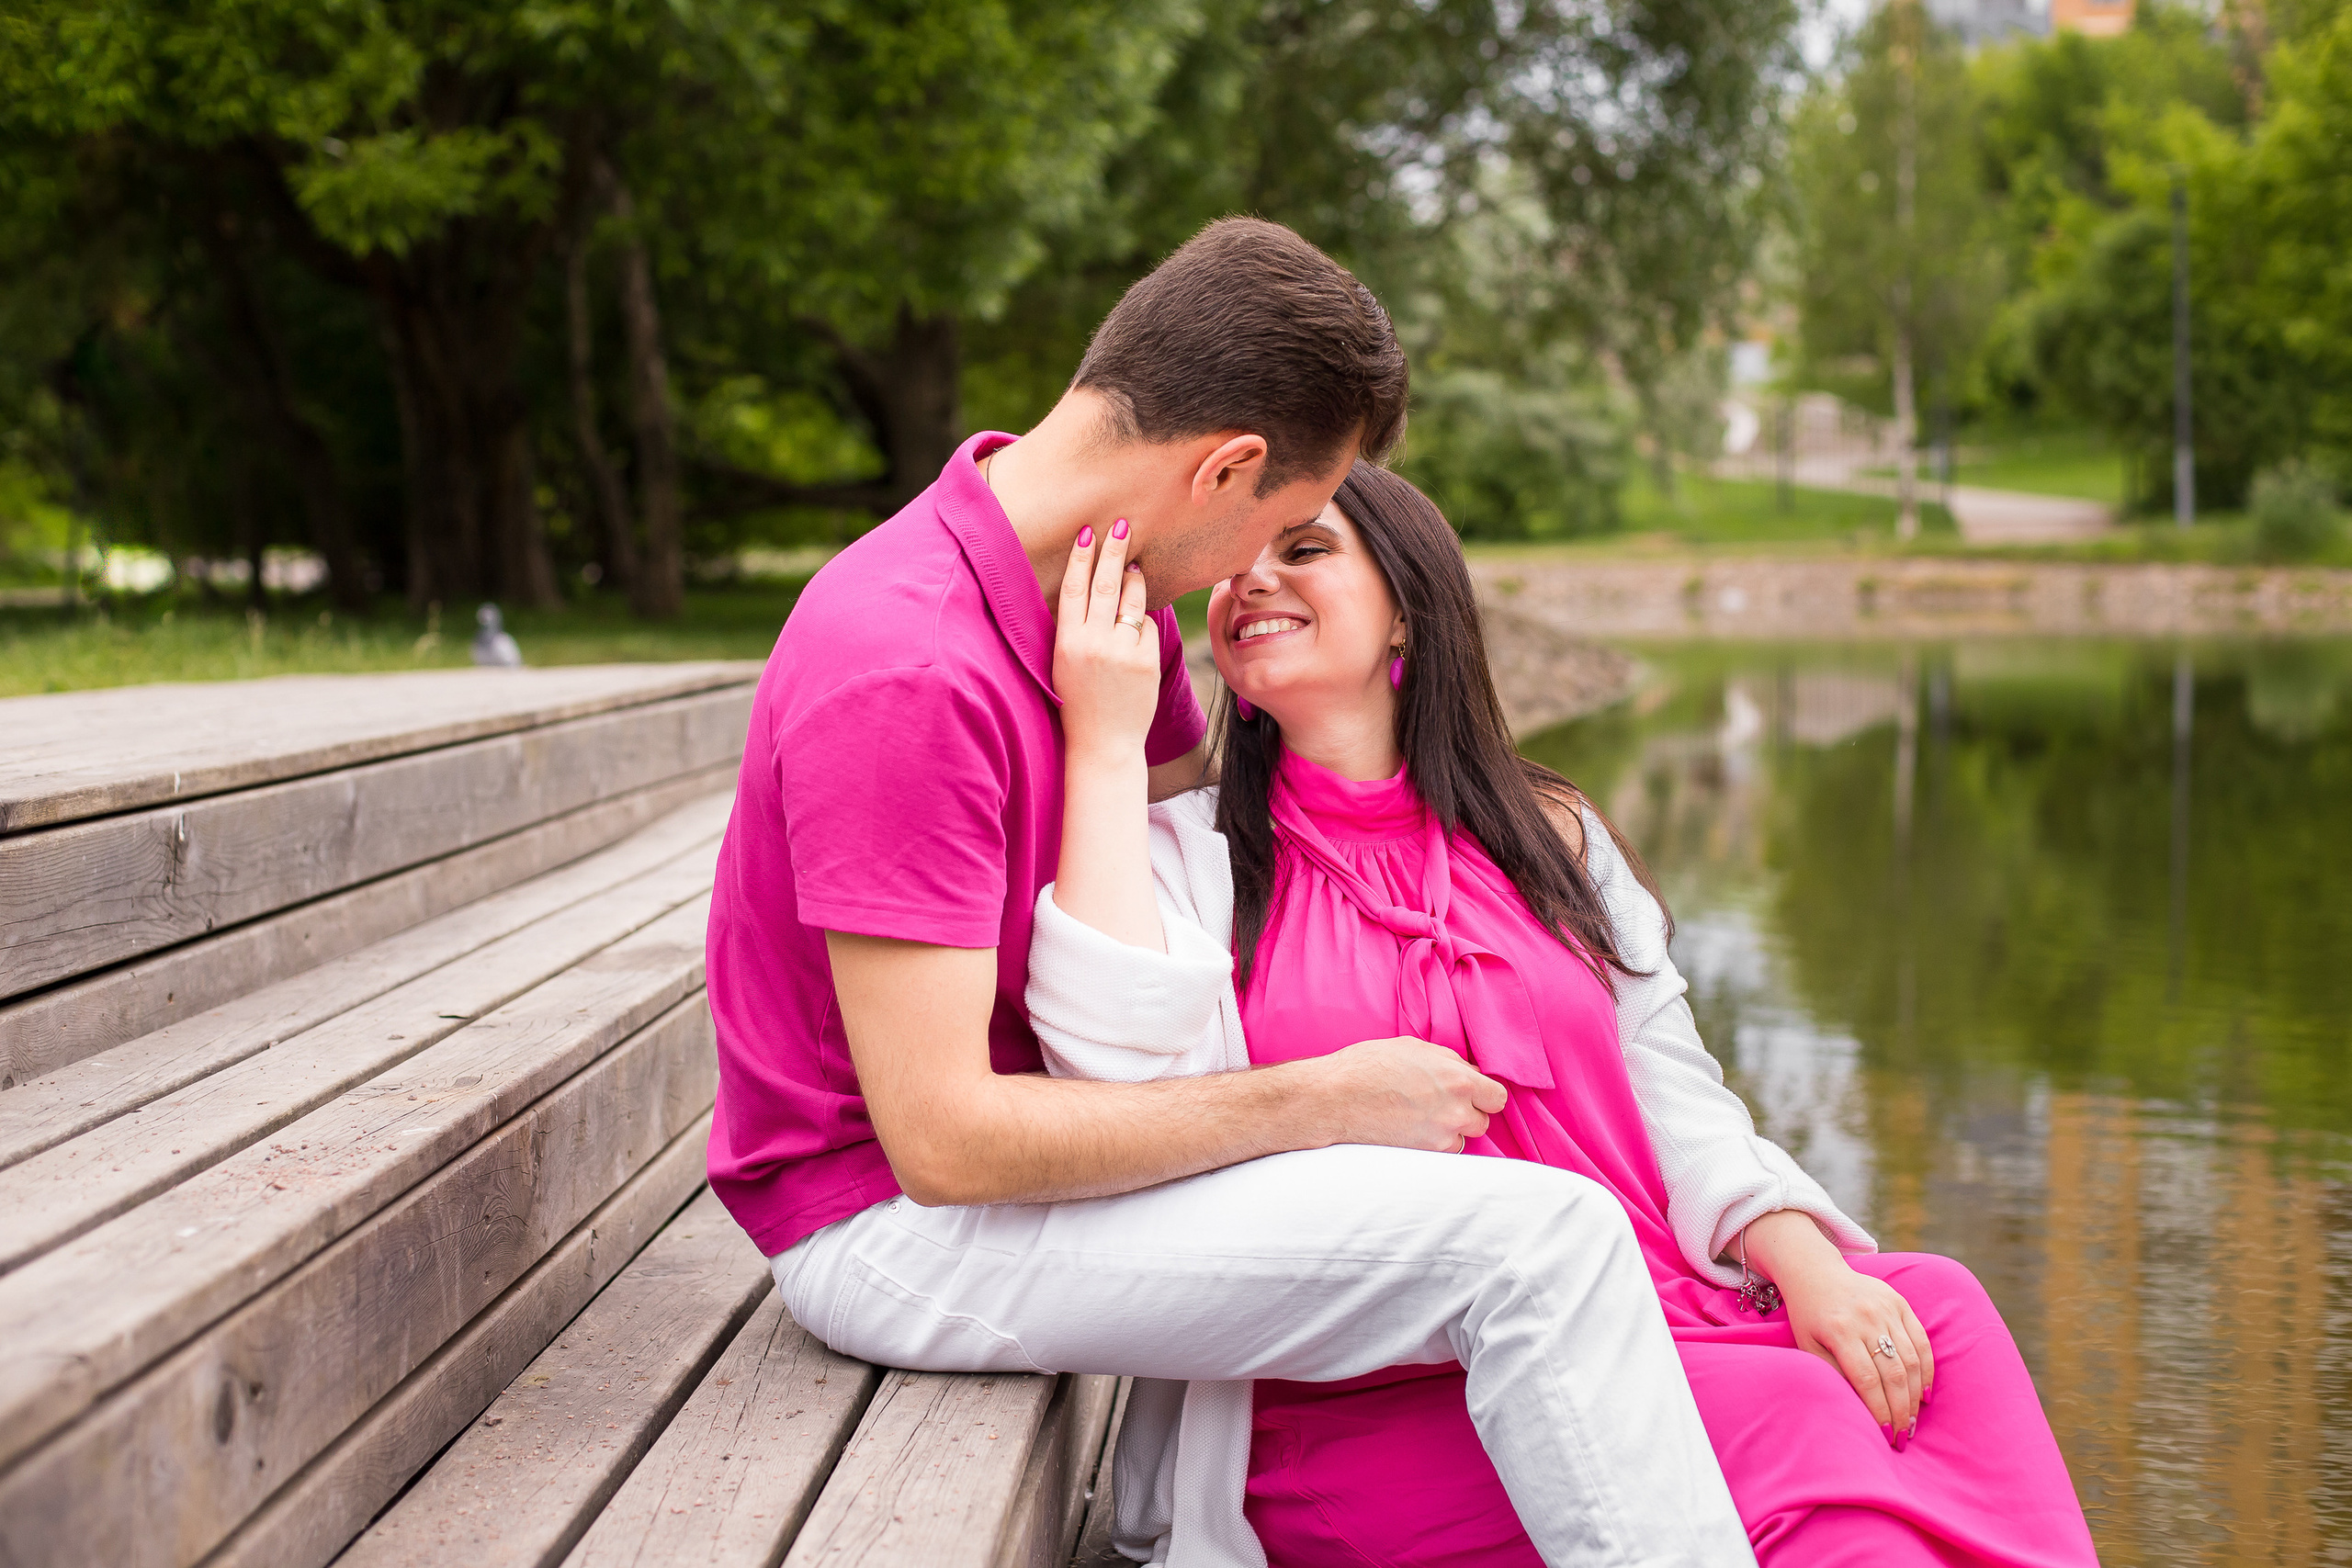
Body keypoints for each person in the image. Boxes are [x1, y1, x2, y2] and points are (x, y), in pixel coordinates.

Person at [706, 218, 1758, 1566]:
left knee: (1555, 1238)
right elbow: (942, 1143)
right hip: (892, 1225)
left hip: (1052, 1158)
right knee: (1540, 1243)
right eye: (1275, 521)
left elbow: (1154, 911)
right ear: (1228, 466)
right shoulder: (904, 666)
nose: (1247, 570)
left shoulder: (1097, 588)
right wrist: (1322, 1101)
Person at [1027, 459, 2102, 1567]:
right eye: (1231, 566)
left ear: (1408, 605)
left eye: (1301, 550)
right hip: (1365, 1405)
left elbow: (1671, 1085)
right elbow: (1115, 1091)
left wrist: (1802, 1258)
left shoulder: (1551, 832)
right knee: (1800, 1416)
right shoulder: (1188, 859)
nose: (1250, 580)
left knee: (1940, 1313)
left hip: (1646, 1303)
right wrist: (1104, 746)